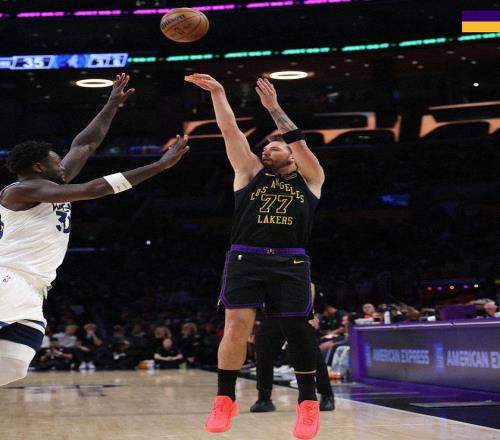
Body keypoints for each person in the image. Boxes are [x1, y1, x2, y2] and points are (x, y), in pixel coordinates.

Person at [0, 73, 190, 386]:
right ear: (38, 167)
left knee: (13, 366)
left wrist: (111, 104)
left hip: (34, 288)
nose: (63, 165)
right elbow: (94, 189)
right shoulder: (22, 191)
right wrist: (159, 166)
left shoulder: (53, 185)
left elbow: (85, 145)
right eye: (57, 162)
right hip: (8, 278)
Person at [185, 73, 325, 439]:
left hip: (291, 260)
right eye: (265, 148)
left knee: (297, 329)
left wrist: (274, 108)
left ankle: (308, 402)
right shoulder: (248, 172)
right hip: (245, 257)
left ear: (291, 155)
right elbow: (229, 130)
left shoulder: (311, 178)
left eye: (274, 148)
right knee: (236, 326)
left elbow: (298, 140)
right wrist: (218, 93)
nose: (266, 151)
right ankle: (225, 398)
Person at [250, 283, 335, 413]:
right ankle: (264, 399)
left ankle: (326, 395)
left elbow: (309, 284)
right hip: (272, 316)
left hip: (297, 314)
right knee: (263, 354)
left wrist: (309, 312)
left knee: (312, 354)